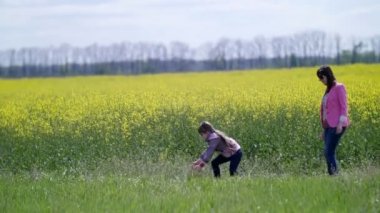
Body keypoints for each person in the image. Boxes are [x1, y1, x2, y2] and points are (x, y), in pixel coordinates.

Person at [317, 65, 350, 175]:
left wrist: (340, 123)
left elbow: (344, 106)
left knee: (328, 151)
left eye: (321, 78)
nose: (321, 81)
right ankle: (333, 174)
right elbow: (327, 110)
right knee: (328, 152)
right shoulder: (328, 90)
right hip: (329, 126)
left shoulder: (339, 87)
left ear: (327, 75)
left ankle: (334, 175)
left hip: (337, 124)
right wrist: (324, 129)